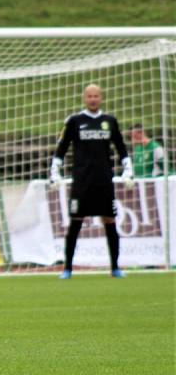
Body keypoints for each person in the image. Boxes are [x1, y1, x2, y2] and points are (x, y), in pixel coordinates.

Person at [49, 84, 133, 279]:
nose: (93, 99)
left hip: (104, 180)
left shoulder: (109, 121)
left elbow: (121, 147)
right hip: (82, 181)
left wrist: (128, 170)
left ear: (101, 98)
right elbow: (61, 148)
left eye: (96, 96)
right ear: (84, 98)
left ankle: (115, 268)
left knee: (109, 220)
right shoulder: (75, 121)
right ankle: (68, 268)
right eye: (89, 96)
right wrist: (55, 172)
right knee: (76, 221)